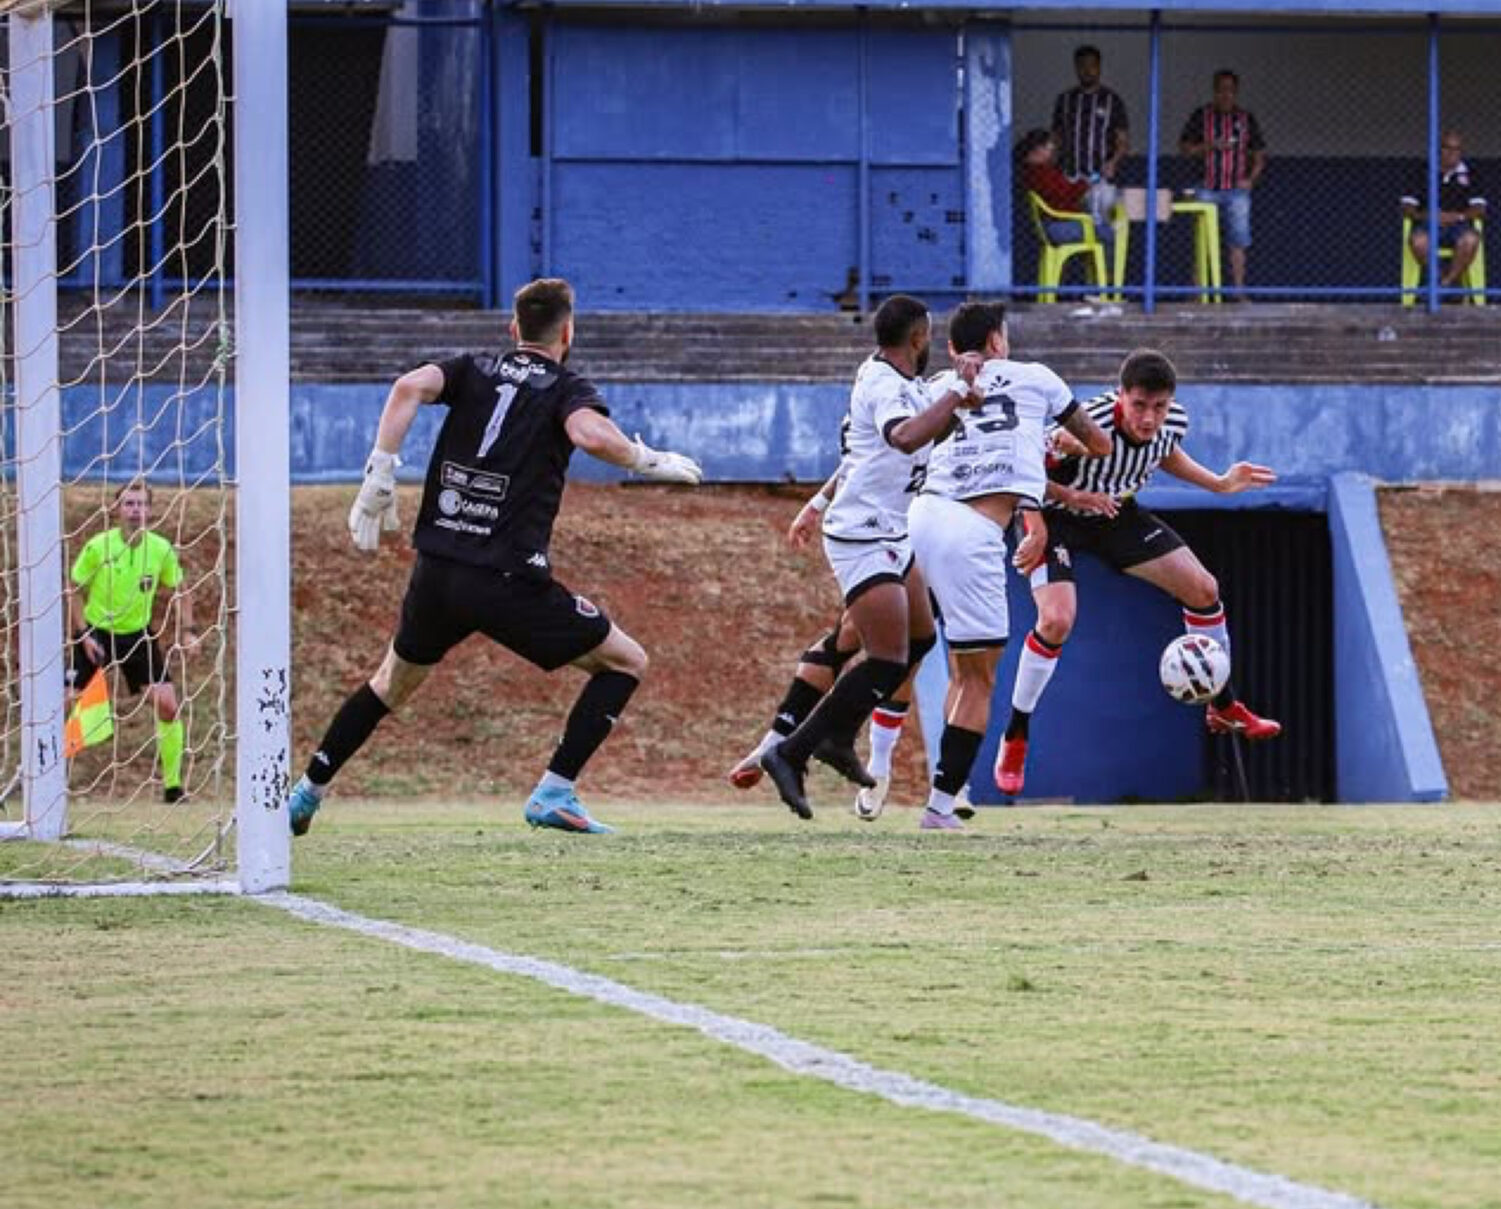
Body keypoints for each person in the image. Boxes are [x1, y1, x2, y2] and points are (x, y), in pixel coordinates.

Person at [285, 278, 704, 838]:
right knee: (627, 662)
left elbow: (408, 385)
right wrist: (647, 460)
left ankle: (308, 790)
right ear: (568, 332)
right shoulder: (564, 387)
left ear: (514, 329)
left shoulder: (474, 367)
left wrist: (381, 469)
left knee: (389, 683)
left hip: (437, 568)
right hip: (507, 578)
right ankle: (556, 790)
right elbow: (587, 434)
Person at [738, 296, 984, 820]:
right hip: (861, 535)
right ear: (918, 339)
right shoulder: (882, 384)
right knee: (886, 658)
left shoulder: (908, 384)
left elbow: (876, 450)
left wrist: (961, 401)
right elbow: (903, 438)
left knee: (920, 638)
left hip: (893, 531)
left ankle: (836, 738)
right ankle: (790, 751)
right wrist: (958, 391)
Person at [998, 349, 1282, 793]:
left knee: (1204, 588)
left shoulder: (1172, 423)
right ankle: (1016, 734)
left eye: (1159, 407)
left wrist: (1219, 483)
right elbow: (1022, 475)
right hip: (1053, 517)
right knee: (1056, 619)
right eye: (1139, 406)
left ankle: (1223, 706)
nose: (1149, 418)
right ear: (1120, 396)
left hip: (1114, 514)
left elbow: (1161, 453)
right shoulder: (1084, 423)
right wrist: (1070, 496)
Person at [896, 303, 1112, 831]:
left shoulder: (943, 385)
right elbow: (1099, 442)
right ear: (997, 340)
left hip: (920, 514)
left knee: (906, 652)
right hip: (972, 534)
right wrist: (1058, 444)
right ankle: (942, 806)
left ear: (952, 349)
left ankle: (842, 748)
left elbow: (912, 441)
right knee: (977, 679)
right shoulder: (1037, 378)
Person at [64, 477, 193, 803]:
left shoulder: (161, 549)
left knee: (168, 704)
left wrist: (188, 631)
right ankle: (40, 778)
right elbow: (73, 591)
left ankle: (173, 788)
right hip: (97, 633)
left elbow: (181, 590)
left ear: (150, 510)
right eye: (129, 504)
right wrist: (82, 635)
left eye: (142, 504)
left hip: (138, 635)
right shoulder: (98, 547)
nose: (136, 510)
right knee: (66, 702)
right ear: (116, 509)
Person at [1178, 68, 1265, 290]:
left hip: (1236, 189)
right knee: (1202, 239)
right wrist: (1210, 146)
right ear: (1214, 91)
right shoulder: (1201, 116)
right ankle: (1198, 292)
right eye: (1221, 90)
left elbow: (1259, 154)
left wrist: (1250, 180)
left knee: (1239, 239)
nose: (1225, 95)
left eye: (1230, 91)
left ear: (1236, 93)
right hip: (1206, 186)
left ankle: (1238, 290)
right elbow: (1185, 148)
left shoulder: (1245, 119)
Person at [1052, 46, 1137, 228]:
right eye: (1082, 66)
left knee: (1107, 226)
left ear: (1100, 68)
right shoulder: (1065, 100)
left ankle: (1106, 257)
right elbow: (1056, 138)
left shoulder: (1112, 100)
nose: (1087, 70)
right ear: (1076, 68)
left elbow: (1122, 141)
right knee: (1069, 227)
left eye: (1092, 65)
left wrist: (1113, 163)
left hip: (1100, 179)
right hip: (1070, 178)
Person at [1405, 129, 1487, 287]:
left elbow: (1480, 208)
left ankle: (1446, 283)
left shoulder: (1471, 173)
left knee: (1470, 240)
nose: (1451, 153)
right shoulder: (1421, 171)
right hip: (1428, 224)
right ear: (1438, 150)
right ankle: (1437, 277)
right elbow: (1407, 206)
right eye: (1447, 148)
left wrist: (1458, 216)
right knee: (1418, 241)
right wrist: (1426, 216)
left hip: (1459, 224)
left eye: (1456, 149)